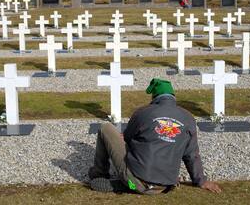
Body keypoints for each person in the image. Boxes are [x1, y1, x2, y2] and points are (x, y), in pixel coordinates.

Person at [88, 78, 221, 194]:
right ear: (172, 96)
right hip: (164, 186)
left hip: (136, 179)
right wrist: (201, 181)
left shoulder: (143, 113)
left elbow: (127, 139)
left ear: (154, 97)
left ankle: (101, 174)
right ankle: (137, 184)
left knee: (105, 127)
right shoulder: (188, 118)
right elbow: (192, 154)